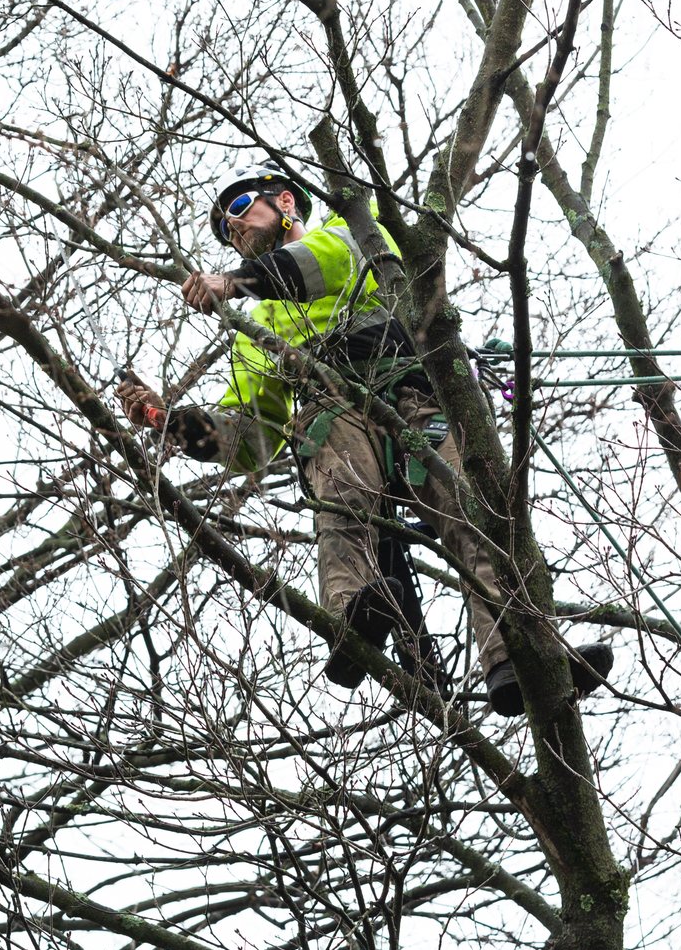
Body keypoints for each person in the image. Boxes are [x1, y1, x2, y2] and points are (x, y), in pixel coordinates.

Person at [116, 171, 611, 717]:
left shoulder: (354, 232)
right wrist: (172, 423)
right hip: (334, 412)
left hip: (416, 398)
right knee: (344, 497)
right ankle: (354, 617)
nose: (232, 226)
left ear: (285, 201)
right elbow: (254, 436)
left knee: (473, 512)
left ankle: (520, 658)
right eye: (222, 230)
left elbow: (325, 262)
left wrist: (236, 281)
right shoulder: (255, 328)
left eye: (238, 206)